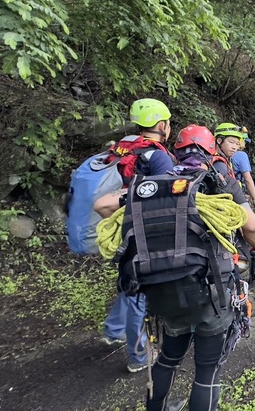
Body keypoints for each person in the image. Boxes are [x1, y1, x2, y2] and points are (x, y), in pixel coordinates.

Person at [96, 124, 255, 411]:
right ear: (211, 151)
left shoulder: (155, 186)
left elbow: (102, 205)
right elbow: (254, 230)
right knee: (207, 368)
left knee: (168, 359)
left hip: (163, 292)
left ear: (176, 152)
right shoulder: (216, 183)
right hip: (209, 292)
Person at [95, 98, 175, 373]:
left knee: (129, 282)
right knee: (139, 291)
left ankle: (113, 329)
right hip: (142, 229)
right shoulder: (158, 156)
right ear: (162, 124)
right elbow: (165, 195)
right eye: (168, 123)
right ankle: (139, 356)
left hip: (122, 224)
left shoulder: (124, 147)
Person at [231, 129, 255, 211]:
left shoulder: (221, 153)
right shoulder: (241, 155)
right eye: (244, 141)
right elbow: (248, 179)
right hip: (236, 194)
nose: (245, 145)